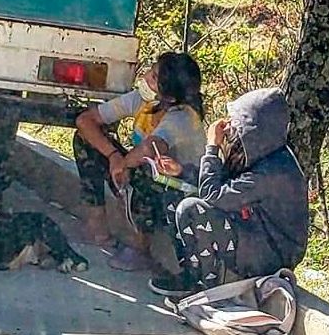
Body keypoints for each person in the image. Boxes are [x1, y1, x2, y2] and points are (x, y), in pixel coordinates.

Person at [149, 87, 309, 298]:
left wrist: (212, 147)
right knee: (174, 197)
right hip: (256, 230)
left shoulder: (274, 171)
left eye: (237, 123)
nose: (232, 127)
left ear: (255, 129)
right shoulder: (262, 152)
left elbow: (212, 196)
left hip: (272, 253)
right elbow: (223, 185)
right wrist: (181, 171)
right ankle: (190, 274)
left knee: (192, 209)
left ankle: (207, 290)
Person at [73, 52, 207, 271]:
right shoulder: (143, 100)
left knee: (146, 168)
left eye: (154, 78)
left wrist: (123, 164)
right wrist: (113, 156)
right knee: (85, 139)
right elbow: (86, 121)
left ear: (170, 96)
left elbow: (150, 149)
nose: (145, 78)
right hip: (142, 172)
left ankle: (140, 246)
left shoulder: (183, 117)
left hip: (176, 194)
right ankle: (97, 226)